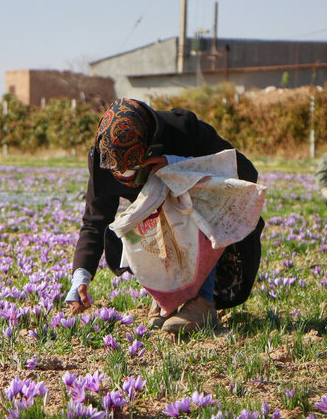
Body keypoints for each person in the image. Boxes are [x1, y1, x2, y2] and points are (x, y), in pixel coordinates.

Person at [65, 98, 264, 333]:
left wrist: (178, 166)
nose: (124, 177)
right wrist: (81, 275)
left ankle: (202, 302)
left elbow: (245, 171)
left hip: (208, 229)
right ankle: (166, 298)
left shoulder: (183, 131)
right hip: (160, 229)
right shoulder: (103, 158)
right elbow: (95, 220)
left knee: (186, 203)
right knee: (138, 225)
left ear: (149, 149)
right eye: (116, 172)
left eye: (131, 170)